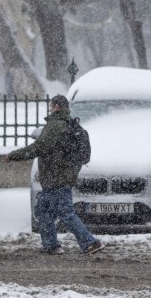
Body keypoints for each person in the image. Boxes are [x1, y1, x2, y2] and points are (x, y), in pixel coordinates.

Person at [6, 95, 103, 255]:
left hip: (56, 178)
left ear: (56, 106)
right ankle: (51, 245)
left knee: (66, 214)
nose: (49, 108)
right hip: (58, 177)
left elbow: (37, 148)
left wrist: (13, 155)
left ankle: (90, 243)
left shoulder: (55, 126)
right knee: (43, 210)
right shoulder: (66, 123)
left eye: (51, 106)